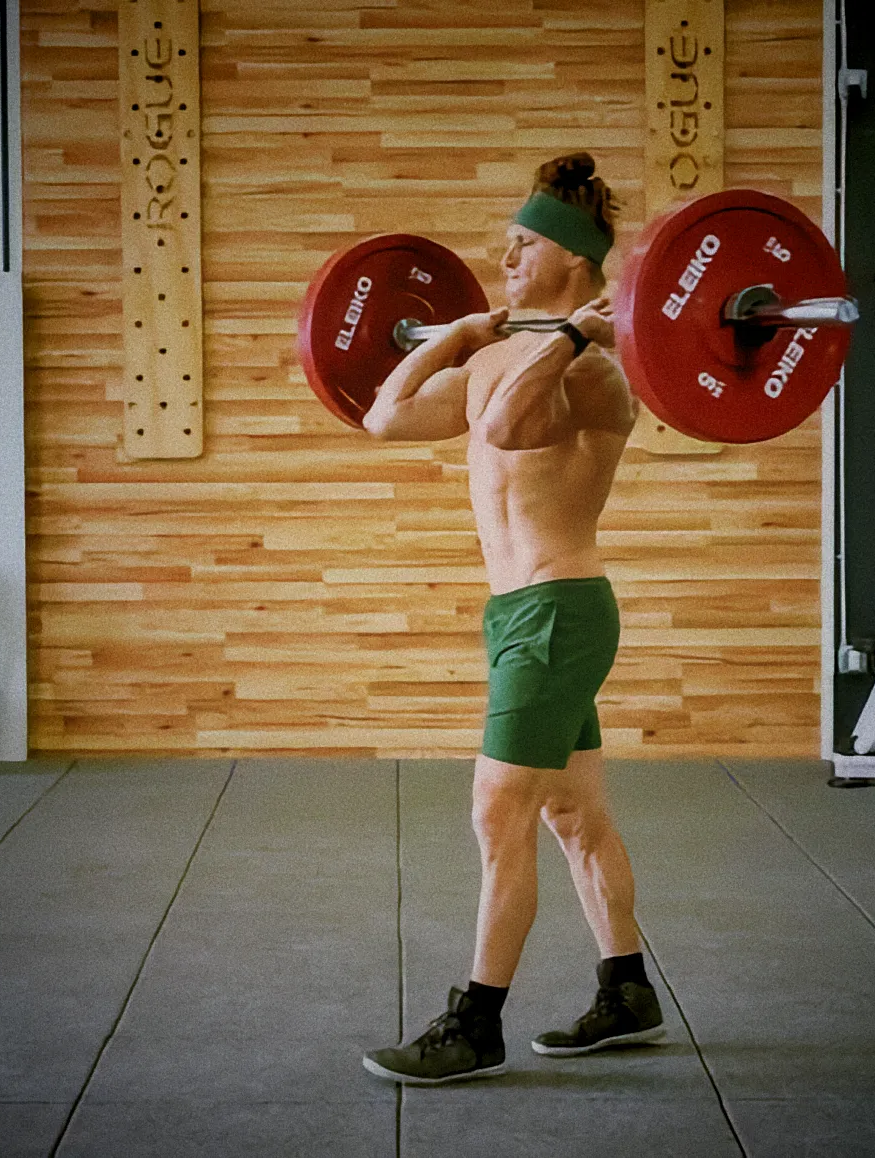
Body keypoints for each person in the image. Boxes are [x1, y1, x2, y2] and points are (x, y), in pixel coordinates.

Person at [360, 153, 664, 1085]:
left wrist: (569, 338)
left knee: (501, 809)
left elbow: (505, 428)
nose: (505, 257)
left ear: (573, 260)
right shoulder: (500, 355)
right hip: (519, 614)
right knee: (574, 811)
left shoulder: (600, 375)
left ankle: (477, 1021)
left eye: (523, 245)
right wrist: (452, 335)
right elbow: (384, 417)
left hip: (561, 612)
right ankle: (627, 991)